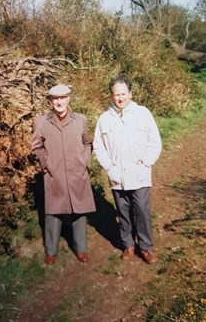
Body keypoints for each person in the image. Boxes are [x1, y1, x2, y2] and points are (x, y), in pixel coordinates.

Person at [93, 76, 162, 264]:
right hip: (117, 176)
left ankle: (146, 248)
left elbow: (154, 141)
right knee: (123, 212)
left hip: (139, 174)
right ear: (112, 96)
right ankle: (129, 245)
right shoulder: (104, 119)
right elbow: (98, 147)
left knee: (142, 210)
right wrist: (109, 167)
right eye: (117, 94)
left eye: (124, 94)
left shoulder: (143, 113)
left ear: (130, 94)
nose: (120, 98)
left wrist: (146, 162)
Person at [31, 84, 96, 265]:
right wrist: (47, 166)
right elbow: (36, 148)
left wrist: (83, 161)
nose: (59, 102)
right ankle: (51, 251)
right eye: (55, 99)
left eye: (63, 98)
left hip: (77, 173)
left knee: (79, 210)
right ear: (51, 101)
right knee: (53, 212)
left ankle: (81, 249)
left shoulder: (80, 120)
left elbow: (87, 143)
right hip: (54, 174)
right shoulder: (42, 122)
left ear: (68, 99)